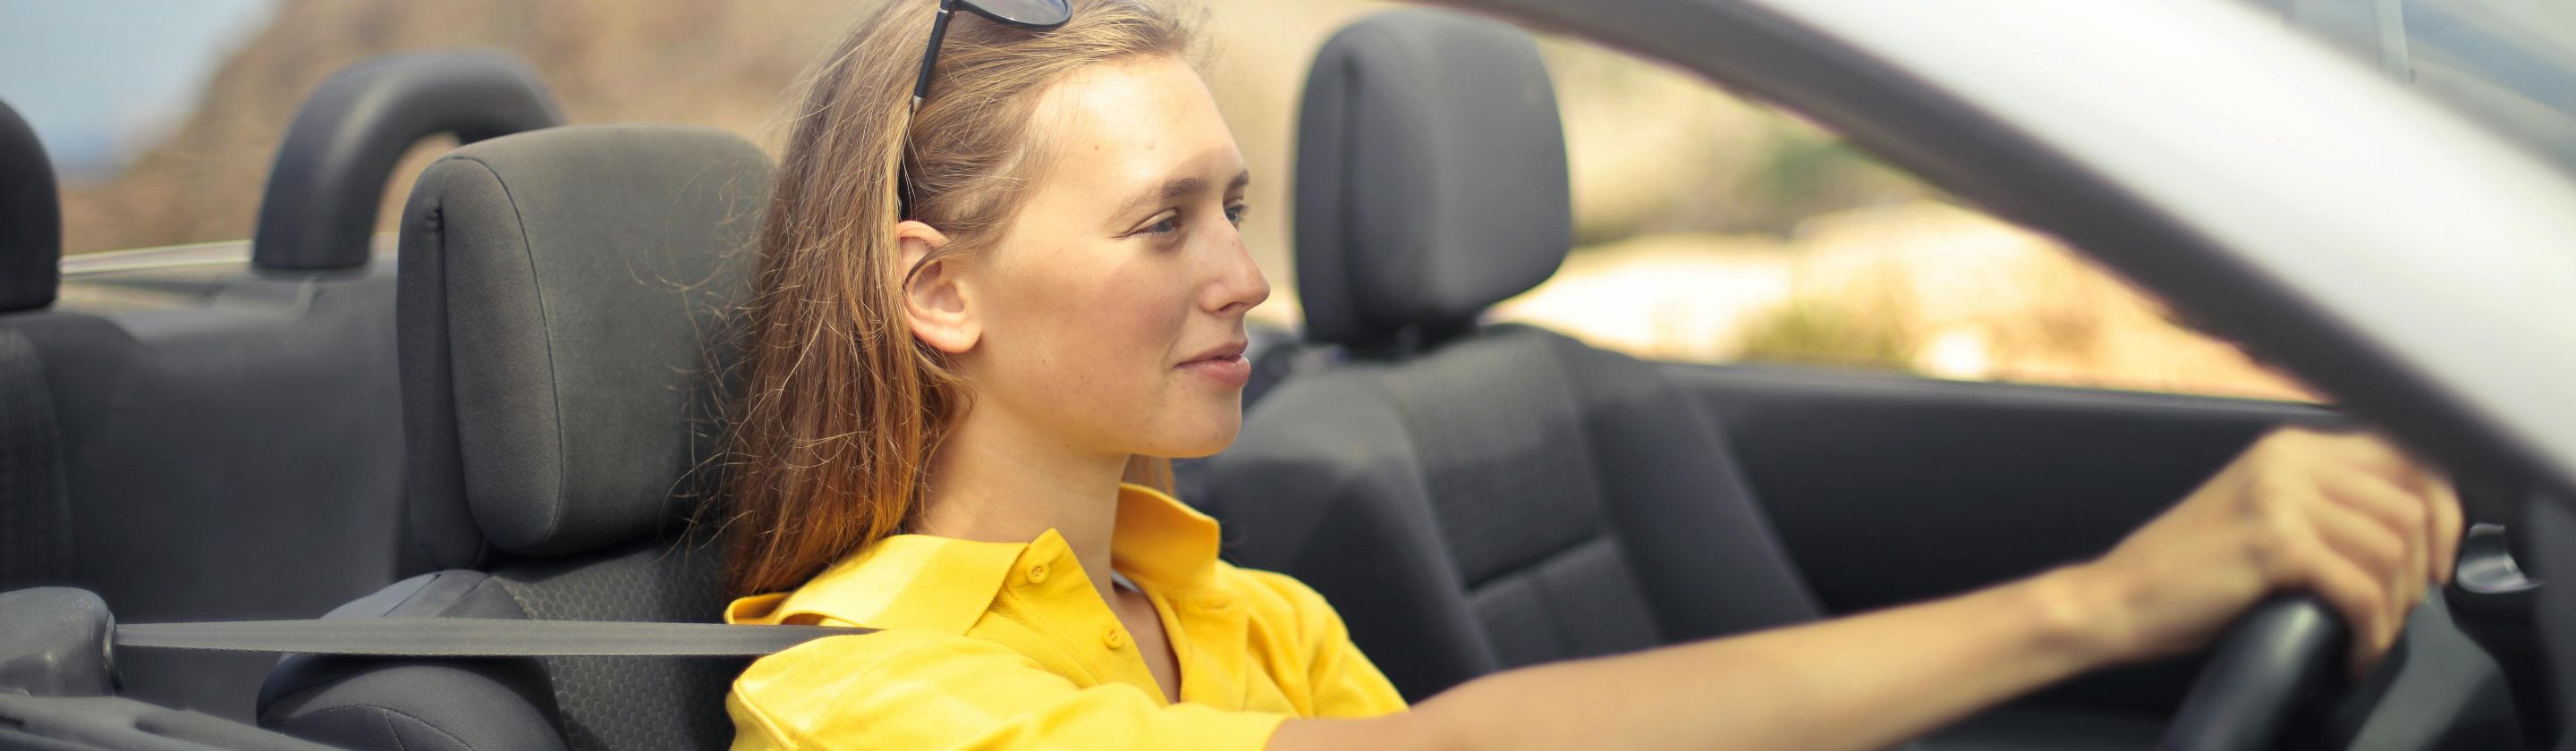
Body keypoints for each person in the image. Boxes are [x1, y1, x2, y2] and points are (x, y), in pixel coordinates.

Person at [716, 1, 2465, 748]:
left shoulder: (1248, 619)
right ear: (937, 291)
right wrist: (2103, 604)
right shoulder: (860, 690)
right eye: (1160, 223)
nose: (1244, 276)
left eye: (1232, 209)